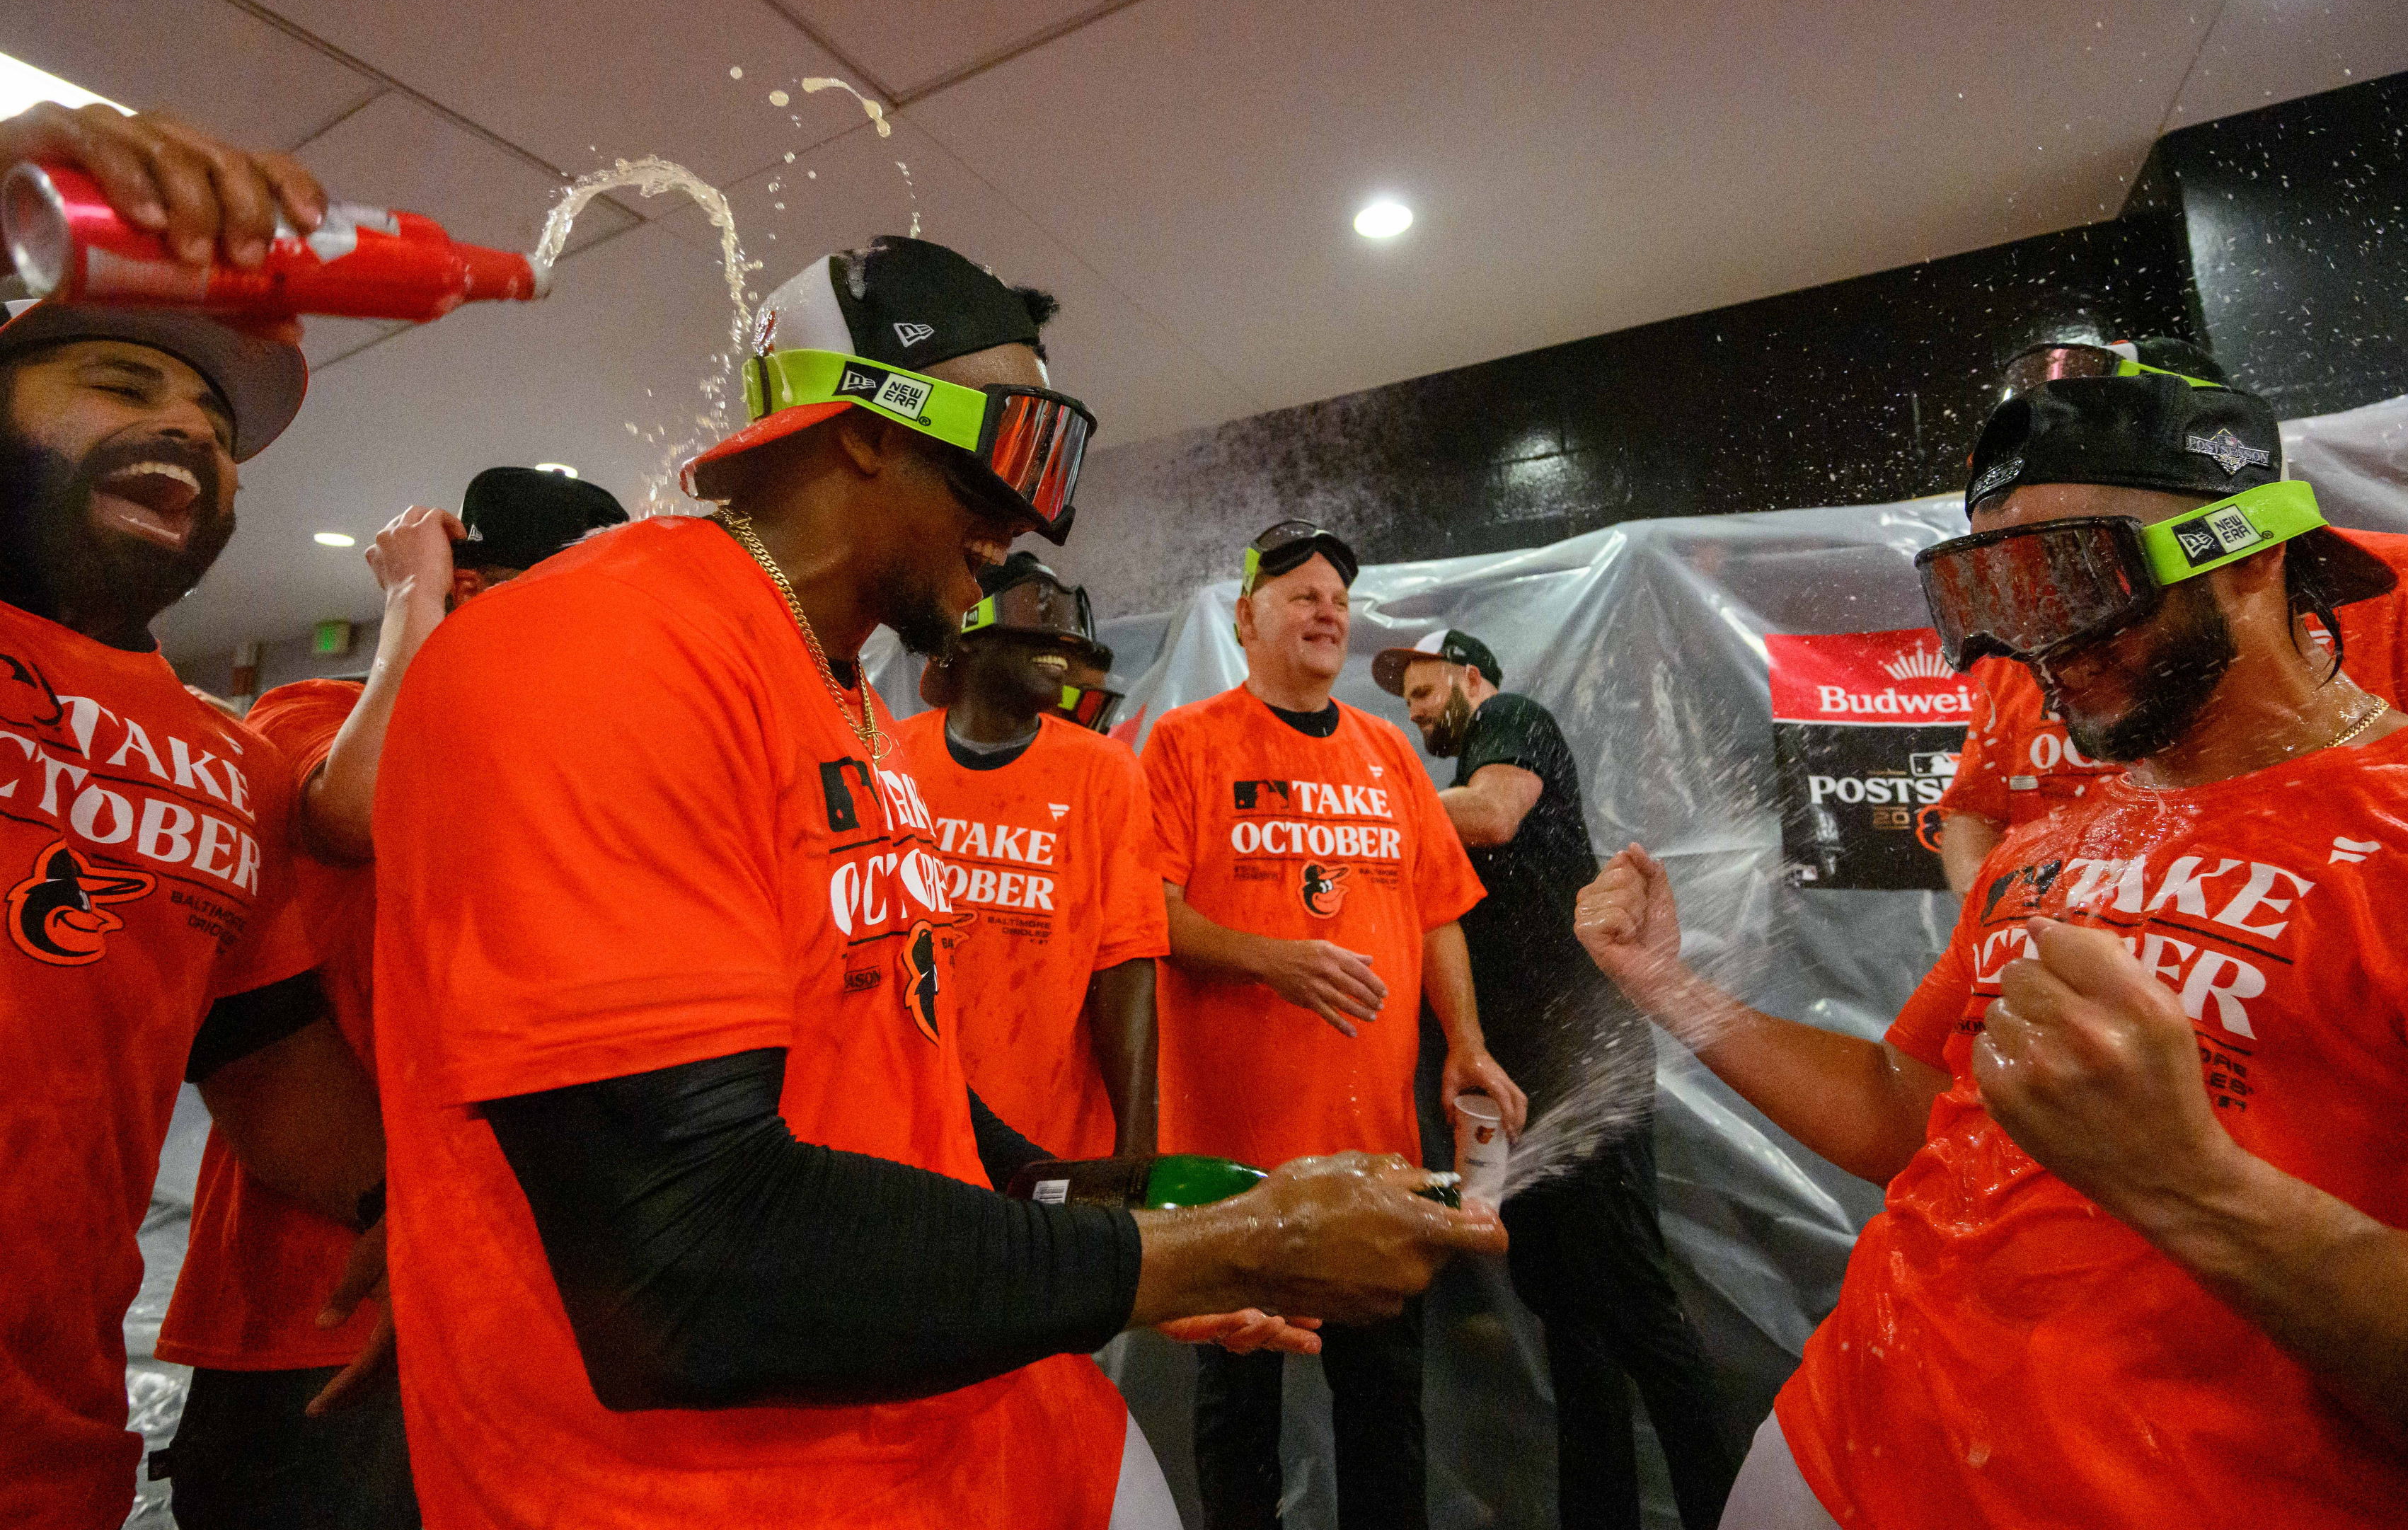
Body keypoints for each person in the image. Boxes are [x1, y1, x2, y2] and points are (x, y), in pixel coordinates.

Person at [366, 240, 1504, 1530]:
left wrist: (1111, 1199)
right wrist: (1210, 1250)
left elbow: (883, 1063)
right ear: (860, 428)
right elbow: (686, 1269)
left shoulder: (835, 686)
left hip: (947, 1421)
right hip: (700, 1491)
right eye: (1012, 455)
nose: (1030, 519)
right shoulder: (598, 652)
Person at [1578, 364, 2408, 1528]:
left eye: (2074, 576)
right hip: (1832, 1449)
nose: (2043, 643)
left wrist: (2197, 1188)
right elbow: (1905, 1107)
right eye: (1998, 588)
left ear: (2242, 556)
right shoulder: (2063, 836)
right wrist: (1669, 988)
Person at [0, 104, 385, 1530]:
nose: (182, 430)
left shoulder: (233, 767)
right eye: (118, 381)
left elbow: (275, 1075)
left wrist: (428, 1221)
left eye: (216, 427)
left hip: (50, 1462)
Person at [151, 466, 627, 1529]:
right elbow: (355, 815)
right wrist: (413, 603)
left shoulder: (576, 763)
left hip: (495, 1313)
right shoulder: (308, 711)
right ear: (471, 591)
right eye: (549, 606)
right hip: (311, 1310)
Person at [1143, 520, 1529, 1530]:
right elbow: (1150, 914)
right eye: (1301, 592)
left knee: (1385, 1407)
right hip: (1227, 1156)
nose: (1327, 610)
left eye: (1338, 598)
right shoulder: (1185, 744)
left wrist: (1471, 1046)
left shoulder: (1390, 755)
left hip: (1373, 1150)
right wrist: (1276, 961)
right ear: (1246, 617)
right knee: (1238, 1417)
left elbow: (1436, 909)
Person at [1935, 338, 2408, 895]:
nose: (2047, 637)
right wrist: (2008, 937)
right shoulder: (2030, 645)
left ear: (2248, 545)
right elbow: (1974, 810)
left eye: (2080, 569)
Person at [1376, 627, 1738, 1527]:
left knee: (1640, 1314)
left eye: (1425, 692)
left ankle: (1734, 1513)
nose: (1415, 713)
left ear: (1471, 678)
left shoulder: (1512, 719)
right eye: (1407, 701)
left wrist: (1350, 800)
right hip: (1515, 1080)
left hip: (1584, 1063)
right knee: (1569, 1321)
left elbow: (1496, 814)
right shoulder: (1439, 809)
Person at [904, 551, 1164, 1157]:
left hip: (1045, 1147)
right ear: (965, 636)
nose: (1058, 636)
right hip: (906, 1139)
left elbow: (1125, 967)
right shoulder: (891, 757)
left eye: (1064, 616)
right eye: (1032, 608)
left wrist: (1136, 1156)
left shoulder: (1105, 773)